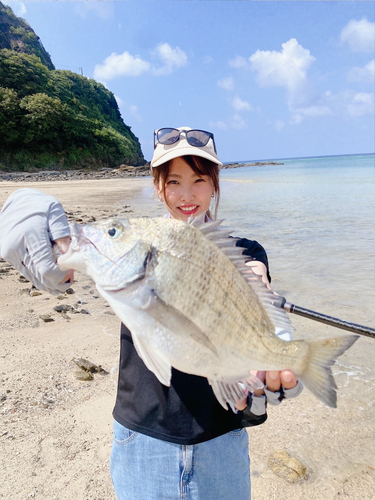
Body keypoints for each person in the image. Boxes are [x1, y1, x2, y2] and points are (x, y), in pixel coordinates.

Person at [0, 126, 303, 499]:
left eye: (199, 180)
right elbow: (66, 256)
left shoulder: (244, 251)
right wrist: (21, 206)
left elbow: (259, 287)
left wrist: (280, 345)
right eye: (173, 180)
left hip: (221, 442)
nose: (187, 194)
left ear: (215, 185)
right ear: (158, 186)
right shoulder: (137, 239)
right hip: (142, 439)